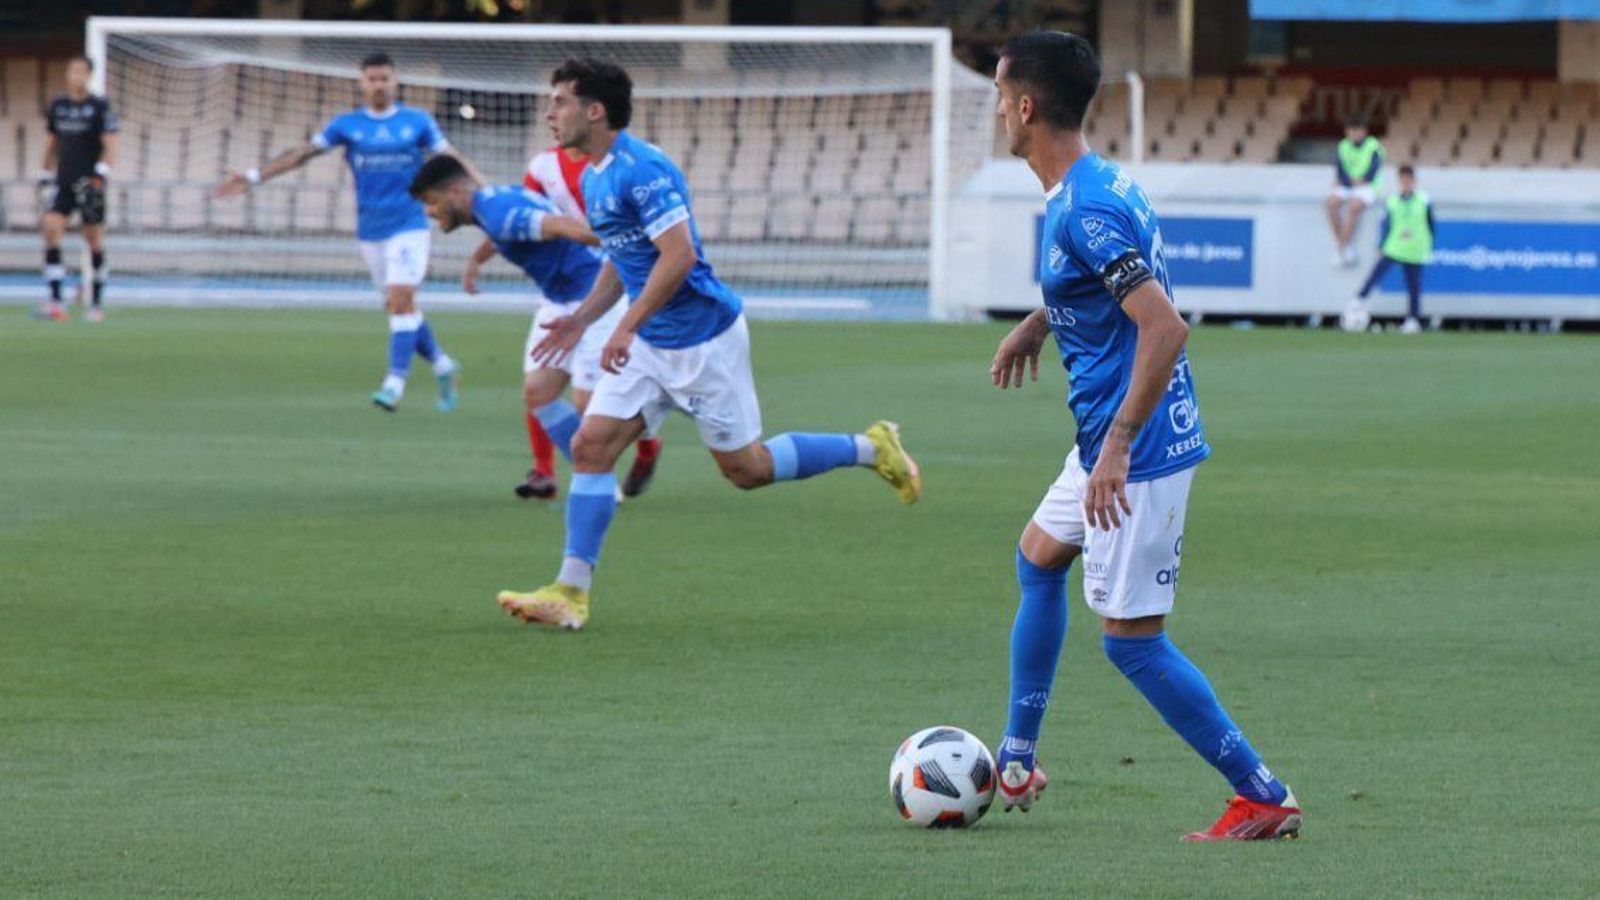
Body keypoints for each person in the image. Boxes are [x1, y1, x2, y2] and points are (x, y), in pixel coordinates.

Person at [986, 31, 1300, 841]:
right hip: (1109, 437)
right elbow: (1106, 285)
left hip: (1138, 449)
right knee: (1037, 558)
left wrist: (1120, 447)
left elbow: (1164, 327)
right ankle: (1016, 758)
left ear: (1027, 107)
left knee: (1131, 643)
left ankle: (1262, 793)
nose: (996, 111)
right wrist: (1040, 323)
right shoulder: (1095, 183)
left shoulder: (1086, 206)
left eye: (999, 97)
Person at [495, 58, 922, 631]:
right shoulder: (594, 176)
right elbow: (624, 260)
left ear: (594, 111)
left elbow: (679, 256)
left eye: (560, 102)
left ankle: (870, 447)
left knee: (748, 469)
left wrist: (624, 325)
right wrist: (581, 320)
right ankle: (570, 592)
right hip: (650, 344)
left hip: (703, 341)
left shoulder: (644, 170)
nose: (550, 113)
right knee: (591, 448)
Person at [215, 52, 463, 413]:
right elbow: (303, 154)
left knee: (400, 300)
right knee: (399, 306)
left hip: (409, 224)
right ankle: (442, 364)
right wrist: (254, 176)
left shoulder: (417, 122)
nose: (379, 85)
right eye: (372, 79)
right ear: (362, 83)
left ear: (396, 82)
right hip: (371, 230)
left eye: (385, 78)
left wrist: (482, 193)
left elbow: (451, 158)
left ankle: (394, 383)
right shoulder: (347, 125)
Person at [410, 153, 652, 500]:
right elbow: (513, 230)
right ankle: (598, 478)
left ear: (453, 192)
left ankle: (646, 430)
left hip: (594, 298)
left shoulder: (498, 213)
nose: (430, 212)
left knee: (589, 407)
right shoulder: (491, 203)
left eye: (431, 202)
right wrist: (478, 258)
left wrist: (629, 243)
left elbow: (561, 226)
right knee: (539, 392)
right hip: (558, 300)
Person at [36, 56, 117, 323]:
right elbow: (51, 140)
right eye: (73, 71)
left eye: (82, 71)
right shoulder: (58, 105)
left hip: (89, 184)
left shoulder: (100, 106)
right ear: (67, 74)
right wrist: (44, 172)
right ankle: (56, 301)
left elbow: (110, 145)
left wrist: (101, 173)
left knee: (94, 241)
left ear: (89, 75)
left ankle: (95, 304)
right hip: (63, 181)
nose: (77, 76)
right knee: (50, 230)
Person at [1347, 165, 1434, 335]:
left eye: (1409, 180)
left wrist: (1427, 245)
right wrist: (1382, 244)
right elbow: (1387, 224)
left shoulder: (1424, 200)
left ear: (1414, 181)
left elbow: (1431, 224)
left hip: (1415, 248)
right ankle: (1358, 299)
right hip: (1395, 245)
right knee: (1376, 273)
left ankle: (1413, 320)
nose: (1406, 184)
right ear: (1399, 182)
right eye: (1403, 181)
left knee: (1413, 285)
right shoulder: (1393, 201)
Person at [1325, 114, 1385, 268]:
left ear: (1364, 131)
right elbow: (1339, 170)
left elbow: (1374, 169)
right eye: (1352, 130)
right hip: (1349, 184)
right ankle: (1345, 244)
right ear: (1347, 132)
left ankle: (1340, 248)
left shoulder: (1373, 146)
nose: (1355, 134)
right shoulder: (1343, 146)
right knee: (1331, 204)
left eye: (1358, 130)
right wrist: (1349, 181)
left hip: (1368, 185)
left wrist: (1362, 180)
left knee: (1353, 207)